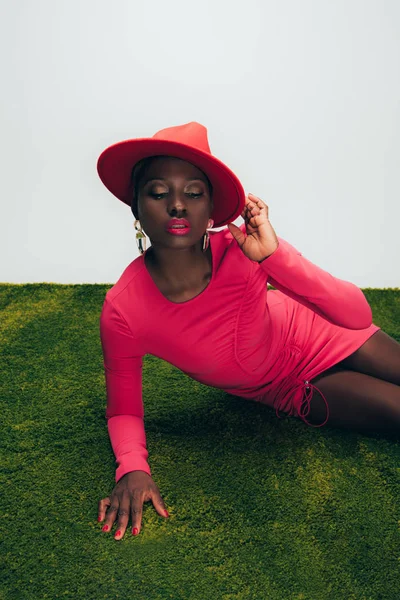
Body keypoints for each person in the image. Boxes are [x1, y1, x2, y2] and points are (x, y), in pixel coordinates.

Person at [95, 121, 400, 541]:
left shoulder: (242, 250)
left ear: (211, 208)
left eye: (193, 193)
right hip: (289, 388)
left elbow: (356, 314)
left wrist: (273, 255)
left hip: (321, 332)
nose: (178, 206)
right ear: (135, 207)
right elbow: (124, 409)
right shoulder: (123, 309)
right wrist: (133, 467)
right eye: (159, 192)